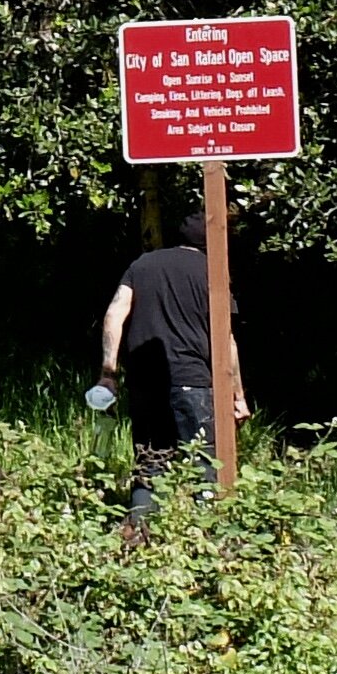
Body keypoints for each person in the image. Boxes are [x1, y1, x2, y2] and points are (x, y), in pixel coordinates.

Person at [95, 211, 248, 527]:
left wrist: (109, 373)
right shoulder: (212, 273)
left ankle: (138, 533)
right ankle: (210, 540)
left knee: (150, 462)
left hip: (144, 382)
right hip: (194, 381)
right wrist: (238, 396)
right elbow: (226, 339)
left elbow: (113, 316)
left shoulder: (142, 265)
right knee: (206, 465)